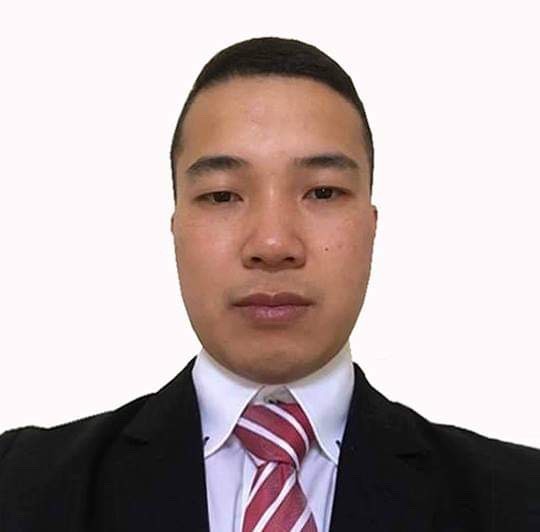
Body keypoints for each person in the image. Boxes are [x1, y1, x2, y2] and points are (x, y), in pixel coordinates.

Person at [0, 36, 539, 532]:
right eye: (222, 195)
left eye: (323, 192)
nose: (274, 243)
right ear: (176, 229)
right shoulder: (20, 486)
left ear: (371, 228)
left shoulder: (518, 498)